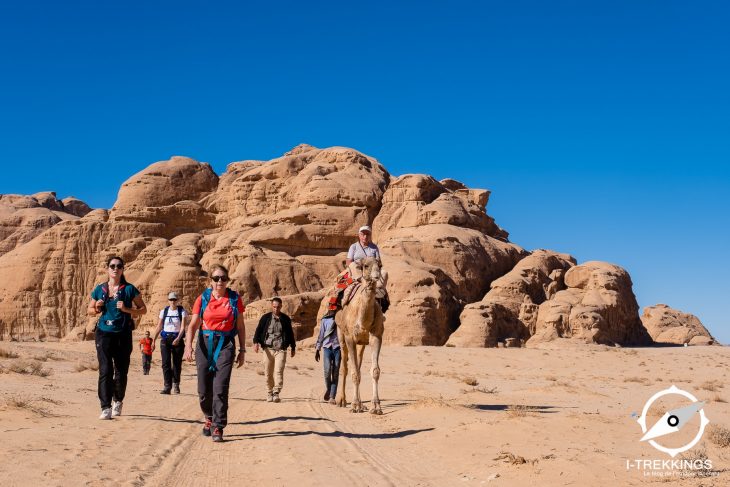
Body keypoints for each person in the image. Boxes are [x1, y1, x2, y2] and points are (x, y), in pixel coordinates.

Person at [183, 265, 246, 443]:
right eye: (216, 278)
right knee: (203, 389)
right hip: (204, 342)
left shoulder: (234, 299)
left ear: (227, 280)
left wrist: (242, 350)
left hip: (226, 344)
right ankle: (208, 416)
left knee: (220, 387)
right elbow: (193, 325)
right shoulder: (202, 298)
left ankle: (218, 426)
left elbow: (240, 326)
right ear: (210, 280)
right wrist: (188, 346)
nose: (220, 281)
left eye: (223, 278)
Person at [87, 256, 147, 420]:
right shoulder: (100, 289)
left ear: (122, 269)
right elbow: (90, 310)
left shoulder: (129, 289)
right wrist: (97, 308)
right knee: (105, 370)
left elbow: (143, 310)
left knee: (121, 371)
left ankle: (118, 400)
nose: (115, 268)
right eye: (112, 266)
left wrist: (127, 309)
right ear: (108, 269)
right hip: (103, 333)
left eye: (119, 266)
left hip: (123, 333)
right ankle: (105, 406)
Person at [252, 297, 296, 403]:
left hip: (281, 349)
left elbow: (290, 333)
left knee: (278, 371)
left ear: (281, 307)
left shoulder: (285, 319)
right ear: (272, 306)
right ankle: (269, 392)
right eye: (274, 307)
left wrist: (293, 347)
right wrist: (255, 342)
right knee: (268, 373)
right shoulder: (265, 318)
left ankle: (276, 393)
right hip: (268, 349)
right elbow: (259, 330)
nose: (276, 309)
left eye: (278, 307)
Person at [152, 292, 187, 394]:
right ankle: (167, 386)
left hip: (177, 339)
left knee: (176, 363)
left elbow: (183, 327)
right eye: (171, 300)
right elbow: (159, 326)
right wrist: (153, 340)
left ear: (177, 300)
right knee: (165, 364)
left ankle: (176, 384)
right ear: (168, 300)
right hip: (165, 340)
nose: (173, 301)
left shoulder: (182, 311)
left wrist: (179, 338)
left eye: (174, 299)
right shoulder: (164, 311)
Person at [314, 314, 340, 404]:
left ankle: (332, 396)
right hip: (327, 348)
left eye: (333, 308)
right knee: (327, 371)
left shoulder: (341, 318)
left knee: (335, 373)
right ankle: (329, 389)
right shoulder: (325, 320)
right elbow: (321, 334)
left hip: (338, 348)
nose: (331, 310)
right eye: (330, 308)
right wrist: (318, 348)